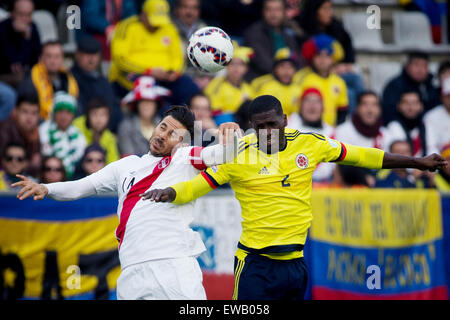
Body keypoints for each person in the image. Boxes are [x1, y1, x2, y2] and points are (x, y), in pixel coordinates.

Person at [142, 95, 448, 301]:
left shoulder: (310, 144)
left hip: (295, 266)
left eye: (273, 125)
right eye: (260, 128)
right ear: (252, 128)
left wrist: (416, 162)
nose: (268, 132)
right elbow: (199, 185)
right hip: (254, 267)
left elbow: (361, 156)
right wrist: (171, 192)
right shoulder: (237, 156)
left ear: (285, 120)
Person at [13, 105, 242, 300]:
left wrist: (232, 136)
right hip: (131, 270)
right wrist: (46, 187)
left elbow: (224, 154)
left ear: (181, 142)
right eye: (162, 126)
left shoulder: (185, 158)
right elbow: (80, 187)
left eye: (173, 133)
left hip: (173, 265)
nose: (163, 135)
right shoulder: (125, 165)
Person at [109, 0, 199, 105]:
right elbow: (120, 59)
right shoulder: (127, 27)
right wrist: (148, 71)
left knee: (189, 86)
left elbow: (178, 57)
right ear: (143, 15)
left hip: (165, 77)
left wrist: (173, 72)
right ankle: (161, 118)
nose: (157, 25)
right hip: (134, 75)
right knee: (150, 88)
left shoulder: (169, 27)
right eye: (154, 20)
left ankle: (194, 120)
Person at [296, 0, 365, 112]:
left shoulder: (336, 26)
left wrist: (344, 65)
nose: (329, 12)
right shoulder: (302, 28)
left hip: (336, 70)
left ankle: (363, 111)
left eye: (330, 8)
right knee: (349, 94)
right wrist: (329, 67)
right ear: (315, 11)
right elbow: (305, 56)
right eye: (325, 9)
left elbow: (348, 50)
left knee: (356, 78)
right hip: (314, 72)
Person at [71, 36, 122, 132]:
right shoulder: (69, 79)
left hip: (107, 134)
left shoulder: (103, 81)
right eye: (86, 54)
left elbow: (116, 110)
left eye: (94, 55)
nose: (91, 59)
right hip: (82, 134)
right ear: (77, 55)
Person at [18, 41, 79, 120]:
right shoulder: (30, 82)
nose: (53, 61)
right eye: (49, 56)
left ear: (62, 59)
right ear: (41, 58)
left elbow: (77, 107)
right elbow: (27, 114)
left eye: (57, 56)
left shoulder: (68, 78)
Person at [297, 34, 348, 126]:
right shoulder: (302, 78)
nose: (323, 59)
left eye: (327, 55)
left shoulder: (339, 82)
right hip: (305, 129)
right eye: (318, 55)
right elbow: (296, 107)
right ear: (312, 57)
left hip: (329, 132)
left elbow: (342, 110)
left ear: (333, 58)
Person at [243, 0, 299, 81]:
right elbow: (262, 63)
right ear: (263, 11)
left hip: (286, 81)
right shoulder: (253, 33)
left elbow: (297, 59)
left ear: (284, 12)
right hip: (261, 80)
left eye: (277, 9)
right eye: (269, 9)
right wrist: (284, 73)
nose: (273, 14)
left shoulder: (288, 34)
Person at [288, 88, 335, 182]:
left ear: (323, 108)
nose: (312, 106)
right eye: (308, 101)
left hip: (323, 185)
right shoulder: (289, 124)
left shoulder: (330, 132)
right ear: (300, 106)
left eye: (317, 102)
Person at [382, 52, 440, 124]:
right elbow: (389, 112)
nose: (420, 70)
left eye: (424, 66)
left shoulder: (431, 86)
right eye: (416, 65)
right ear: (407, 66)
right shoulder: (395, 86)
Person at [39, 92, 87, 178]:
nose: (64, 116)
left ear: (73, 115)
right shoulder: (42, 131)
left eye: (68, 112)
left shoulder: (79, 137)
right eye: (60, 111)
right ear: (54, 113)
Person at [118, 76, 169, 156]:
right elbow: (127, 159)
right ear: (136, 105)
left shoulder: (163, 126)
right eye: (143, 101)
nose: (146, 105)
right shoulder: (126, 127)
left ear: (156, 104)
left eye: (150, 101)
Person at [204, 43, 255, 118]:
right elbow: (214, 112)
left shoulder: (248, 88)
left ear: (246, 68)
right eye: (232, 63)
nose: (236, 67)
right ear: (226, 66)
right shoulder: (216, 84)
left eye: (241, 64)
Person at [0, 0, 41, 88]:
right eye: (21, 14)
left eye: (28, 15)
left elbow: (36, 58)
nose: (25, 19)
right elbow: (14, 64)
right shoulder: (2, 29)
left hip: (26, 75)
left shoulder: (32, 27)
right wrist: (25, 39)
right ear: (12, 13)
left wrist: (27, 38)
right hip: (4, 75)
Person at [386, 90, 437, 157]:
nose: (411, 107)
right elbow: (398, 156)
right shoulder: (393, 126)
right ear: (399, 106)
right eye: (406, 103)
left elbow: (433, 152)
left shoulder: (428, 126)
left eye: (414, 103)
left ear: (421, 106)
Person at [0, 93, 41, 177]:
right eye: (25, 111)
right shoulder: (4, 130)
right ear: (15, 111)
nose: (29, 117)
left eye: (34, 113)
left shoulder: (36, 132)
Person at [251, 48, 299, 116]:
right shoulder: (266, 87)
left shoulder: (299, 89)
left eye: (290, 67)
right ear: (275, 69)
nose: (286, 71)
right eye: (282, 66)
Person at [73, 97, 119, 165]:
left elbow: (113, 164)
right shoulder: (76, 127)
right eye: (94, 114)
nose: (99, 119)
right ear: (88, 116)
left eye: (103, 115)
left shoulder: (109, 138)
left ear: (109, 117)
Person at [424, 76, 450, 153]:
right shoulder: (431, 117)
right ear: (442, 97)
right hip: (441, 161)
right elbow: (431, 147)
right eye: (449, 96)